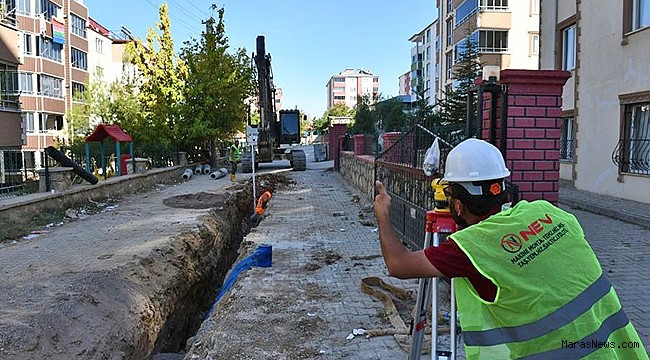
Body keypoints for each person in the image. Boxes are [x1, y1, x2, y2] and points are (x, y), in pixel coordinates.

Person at [374, 138, 648, 359]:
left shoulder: (470, 247)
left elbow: (398, 264)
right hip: (621, 350)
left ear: (457, 205)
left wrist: (383, 215)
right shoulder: (548, 211)